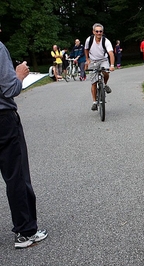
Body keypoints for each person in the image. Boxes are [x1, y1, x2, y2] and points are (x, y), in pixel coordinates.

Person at [0, 41, 48, 249]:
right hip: (3, 119)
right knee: (16, 174)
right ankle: (26, 230)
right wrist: (19, 75)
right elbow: (10, 88)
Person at [84, 23, 115, 111]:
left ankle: (105, 84)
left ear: (102, 32)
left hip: (103, 59)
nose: (99, 33)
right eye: (97, 31)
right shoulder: (89, 40)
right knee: (93, 83)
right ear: (93, 32)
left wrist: (112, 65)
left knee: (106, 72)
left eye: (100, 31)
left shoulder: (106, 41)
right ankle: (94, 102)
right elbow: (86, 49)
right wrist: (87, 60)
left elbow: (111, 53)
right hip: (93, 61)